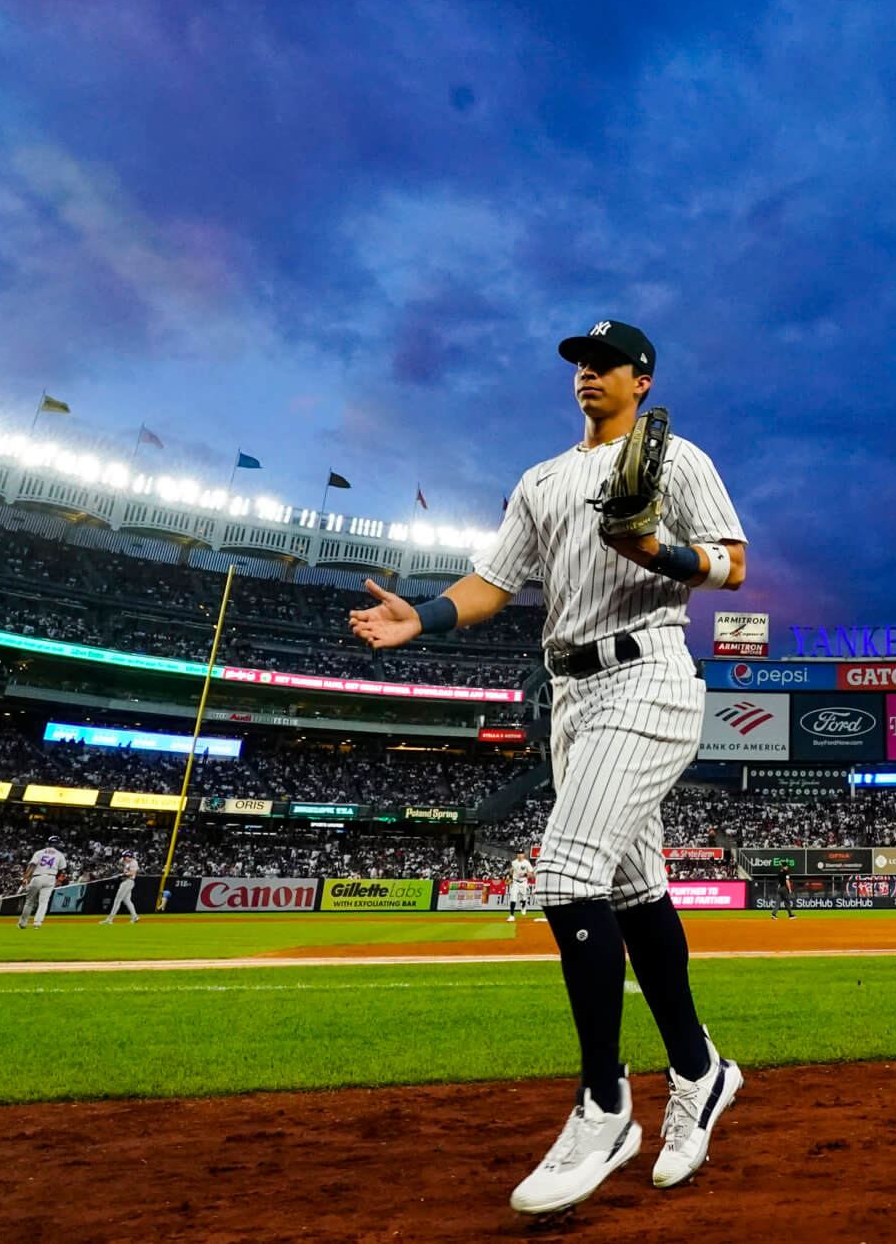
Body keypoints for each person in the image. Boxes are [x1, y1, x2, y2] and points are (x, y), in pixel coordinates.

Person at [350, 319, 748, 1215]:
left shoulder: (679, 460)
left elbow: (732, 565)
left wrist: (660, 552)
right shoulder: (541, 480)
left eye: (604, 363)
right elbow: (493, 582)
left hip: (648, 672)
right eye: (578, 363)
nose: (587, 374)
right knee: (636, 890)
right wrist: (424, 617)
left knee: (566, 870)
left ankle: (605, 1103)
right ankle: (700, 1071)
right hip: (570, 696)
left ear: (642, 378)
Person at [18, 837, 67, 929]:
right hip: (51, 877)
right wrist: (56, 878)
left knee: (29, 902)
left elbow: (32, 866)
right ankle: (37, 923)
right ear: (57, 844)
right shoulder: (60, 855)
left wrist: (26, 877)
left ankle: (23, 923)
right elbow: (61, 869)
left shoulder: (39, 852)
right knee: (43, 902)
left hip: (37, 877)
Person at [100, 851, 142, 924]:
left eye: (125, 857)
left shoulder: (134, 862)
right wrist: (117, 873)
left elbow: (132, 873)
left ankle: (109, 919)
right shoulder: (124, 861)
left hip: (128, 881)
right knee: (127, 901)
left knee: (117, 900)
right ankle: (135, 917)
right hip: (125, 881)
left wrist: (120, 875)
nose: (124, 858)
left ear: (129, 856)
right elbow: (119, 864)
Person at [506, 850, 537, 923]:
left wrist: (525, 874)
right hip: (515, 882)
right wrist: (509, 879)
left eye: (521, 854)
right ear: (517, 855)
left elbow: (532, 874)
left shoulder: (526, 863)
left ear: (524, 855)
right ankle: (511, 916)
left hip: (523, 882)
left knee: (523, 898)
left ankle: (523, 906)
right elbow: (511, 871)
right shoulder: (514, 862)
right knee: (513, 898)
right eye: (518, 854)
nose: (520, 855)